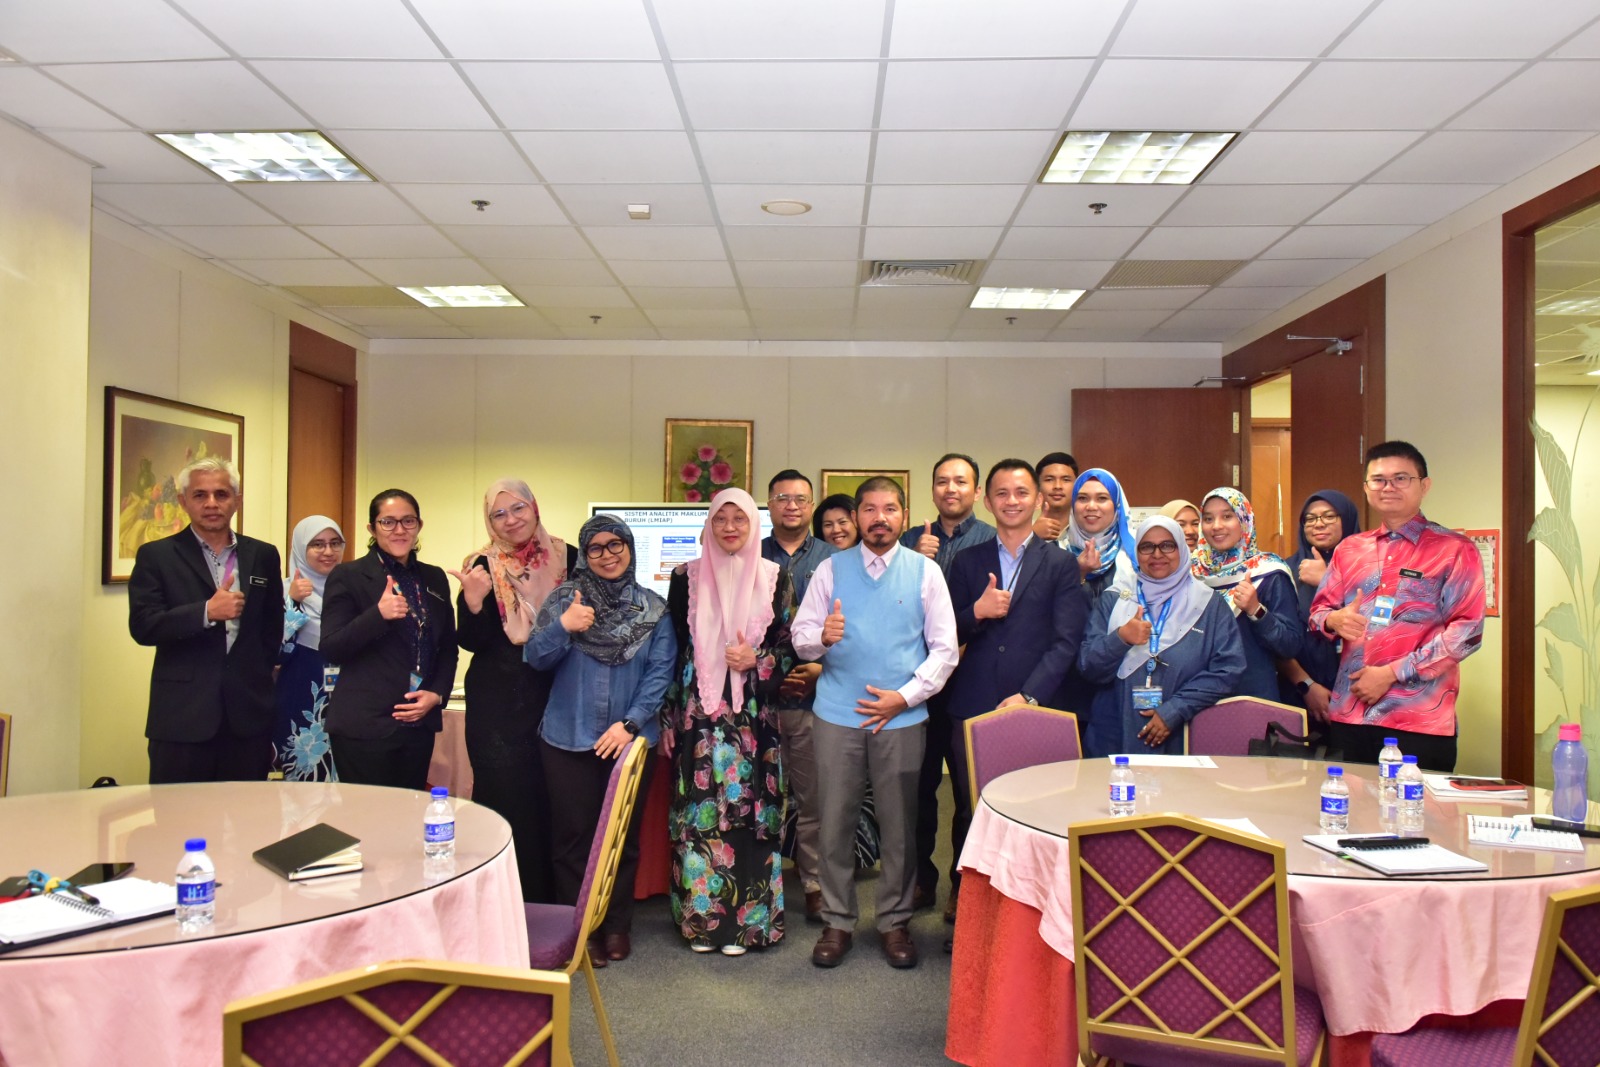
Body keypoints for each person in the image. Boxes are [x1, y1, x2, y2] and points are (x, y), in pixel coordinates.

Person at [793, 477, 959, 970]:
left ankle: (894, 921)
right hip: (836, 716)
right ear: (857, 517)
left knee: (899, 825)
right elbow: (801, 637)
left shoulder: (926, 572)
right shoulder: (830, 568)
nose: (879, 518)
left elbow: (945, 650)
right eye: (869, 509)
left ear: (903, 516)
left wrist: (903, 698)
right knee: (835, 821)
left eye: (889, 509)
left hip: (901, 718)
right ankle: (837, 921)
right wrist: (822, 638)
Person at [526, 514, 676, 967]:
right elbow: (534, 657)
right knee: (573, 839)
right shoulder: (564, 600)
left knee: (621, 838)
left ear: (629, 549)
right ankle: (579, 930)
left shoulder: (654, 608)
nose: (608, 555)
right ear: (585, 555)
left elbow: (661, 672)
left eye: (616, 545)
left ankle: (616, 926)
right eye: (596, 548)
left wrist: (630, 723)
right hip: (567, 737)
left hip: (628, 743)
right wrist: (564, 626)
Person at [944, 459, 1089, 926]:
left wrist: (1030, 696)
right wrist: (977, 612)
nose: (1012, 501)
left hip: (1036, 707)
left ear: (1038, 500)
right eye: (1002, 493)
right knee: (971, 809)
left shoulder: (1061, 564)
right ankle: (968, 904)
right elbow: (944, 632)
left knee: (1036, 811)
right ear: (988, 501)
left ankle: (1030, 911)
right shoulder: (966, 561)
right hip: (973, 703)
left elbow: (1067, 641)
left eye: (1022, 492)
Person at [664, 488, 795, 954]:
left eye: (740, 518)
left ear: (754, 525)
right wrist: (668, 715)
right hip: (698, 717)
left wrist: (756, 660)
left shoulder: (776, 576)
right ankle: (702, 923)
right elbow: (672, 648)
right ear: (709, 525)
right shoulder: (685, 577)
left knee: (751, 815)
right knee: (698, 816)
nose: (730, 527)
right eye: (721, 519)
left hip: (752, 719)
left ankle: (748, 926)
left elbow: (790, 645)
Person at [1310, 442, 1485, 770]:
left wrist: (1391, 674)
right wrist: (1334, 620)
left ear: (1424, 485)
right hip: (1351, 715)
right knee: (1347, 802)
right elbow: (1318, 613)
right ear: (1366, 488)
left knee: (1418, 804)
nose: (1388, 487)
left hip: (1419, 719)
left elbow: (1468, 633)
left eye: (1401, 478)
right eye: (1378, 480)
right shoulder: (1350, 549)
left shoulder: (1454, 550)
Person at [452, 479, 576, 904]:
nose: (510, 520)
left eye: (518, 508)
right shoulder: (481, 564)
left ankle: (553, 907)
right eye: (498, 514)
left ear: (534, 506)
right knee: (505, 800)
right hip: (499, 707)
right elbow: (472, 640)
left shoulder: (568, 556)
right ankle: (502, 901)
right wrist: (473, 602)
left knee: (555, 800)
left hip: (558, 695)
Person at [128, 457, 284, 783]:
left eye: (221, 494)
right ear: (183, 501)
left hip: (248, 719)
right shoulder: (156, 556)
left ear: (237, 500)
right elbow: (143, 625)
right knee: (178, 812)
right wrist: (205, 613)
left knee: (247, 812)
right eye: (200, 495)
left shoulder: (263, 555)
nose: (211, 503)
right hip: (182, 718)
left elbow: (272, 628)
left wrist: (257, 677)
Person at [901, 453, 994, 914]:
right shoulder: (908, 540)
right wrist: (912, 564)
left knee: (966, 793)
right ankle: (920, 879)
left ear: (975, 491)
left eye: (960, 482)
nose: (950, 489)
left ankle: (964, 886)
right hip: (917, 684)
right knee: (917, 790)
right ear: (932, 489)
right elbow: (895, 609)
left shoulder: (992, 541)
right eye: (942, 481)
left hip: (968, 684)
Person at [321, 489, 457, 790]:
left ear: (419, 525)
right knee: (368, 815)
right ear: (372, 528)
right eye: (388, 522)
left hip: (418, 723)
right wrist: (378, 615)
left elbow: (447, 647)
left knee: (410, 812)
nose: (399, 530)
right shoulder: (348, 576)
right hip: (365, 725)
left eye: (408, 521)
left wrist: (437, 694)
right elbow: (332, 646)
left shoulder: (433, 578)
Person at [1078, 516, 1246, 754]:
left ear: (1182, 549)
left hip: (1183, 734)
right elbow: (1087, 667)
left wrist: (1175, 710)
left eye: (1167, 545)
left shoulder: (1209, 603)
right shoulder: (1115, 598)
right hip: (1114, 734)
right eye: (1147, 547)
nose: (1157, 554)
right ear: (1137, 553)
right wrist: (1121, 638)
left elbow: (1228, 669)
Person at [761, 470, 835, 921]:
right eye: (782, 498)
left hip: (816, 699)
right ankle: (760, 885)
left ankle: (815, 884)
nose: (792, 505)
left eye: (800, 499)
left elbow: (851, 625)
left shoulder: (834, 559)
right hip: (758, 704)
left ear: (812, 505)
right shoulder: (748, 554)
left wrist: (820, 669)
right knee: (760, 800)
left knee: (814, 799)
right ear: (769, 504)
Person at [1190, 488, 1302, 703]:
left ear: (1244, 520)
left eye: (1227, 516)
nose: (1216, 526)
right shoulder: (1191, 573)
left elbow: (1290, 645)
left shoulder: (1268, 572)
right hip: (1196, 698)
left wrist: (1256, 610)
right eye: (1208, 518)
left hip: (1252, 698)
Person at [1055, 467, 1136, 757]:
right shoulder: (1053, 554)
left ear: (1117, 506)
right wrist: (1076, 576)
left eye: (1102, 498)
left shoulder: (1137, 556)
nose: (1091, 506)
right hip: (1064, 687)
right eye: (1083, 498)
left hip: (1120, 686)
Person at [273, 515, 345, 781]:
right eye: (317, 544)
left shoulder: (354, 589)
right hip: (300, 698)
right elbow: (271, 651)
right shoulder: (282, 591)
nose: (328, 551)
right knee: (305, 785)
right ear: (301, 548)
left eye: (335, 543)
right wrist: (292, 602)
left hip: (350, 700)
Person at [1278, 490, 1361, 719]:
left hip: (1360, 691)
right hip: (1300, 693)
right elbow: (1276, 639)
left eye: (1329, 516)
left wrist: (1327, 580)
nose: (1319, 524)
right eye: (1310, 518)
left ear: (1347, 519)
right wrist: (1306, 685)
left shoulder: (1370, 567)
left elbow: (1379, 623)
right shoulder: (1284, 570)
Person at [1031, 450, 1078, 542]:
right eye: (1049, 479)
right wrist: (1032, 536)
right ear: (1037, 486)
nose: (1057, 486)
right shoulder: (1023, 531)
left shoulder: (1087, 531)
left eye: (1066, 480)